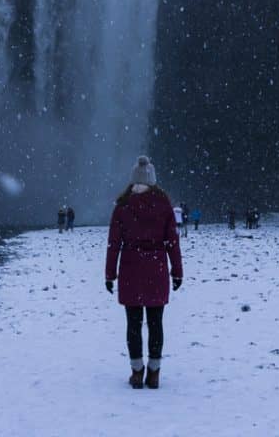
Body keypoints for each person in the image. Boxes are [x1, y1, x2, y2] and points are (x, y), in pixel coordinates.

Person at [105, 156, 183, 390]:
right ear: (153, 180)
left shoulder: (123, 205)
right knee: (156, 322)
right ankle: (155, 373)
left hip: (130, 267)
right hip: (156, 268)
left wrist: (110, 274)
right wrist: (176, 271)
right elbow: (172, 242)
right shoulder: (163, 204)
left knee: (133, 324)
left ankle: (137, 372)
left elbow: (114, 243)